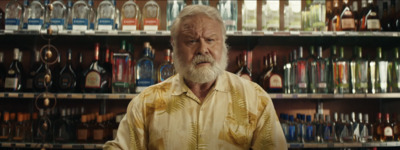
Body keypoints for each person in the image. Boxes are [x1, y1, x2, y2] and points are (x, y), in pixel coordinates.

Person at [104, 5, 287, 150]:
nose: (202, 49)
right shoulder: (146, 103)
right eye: (192, 41)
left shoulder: (255, 99)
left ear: (223, 44)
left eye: (210, 40)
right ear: (174, 46)